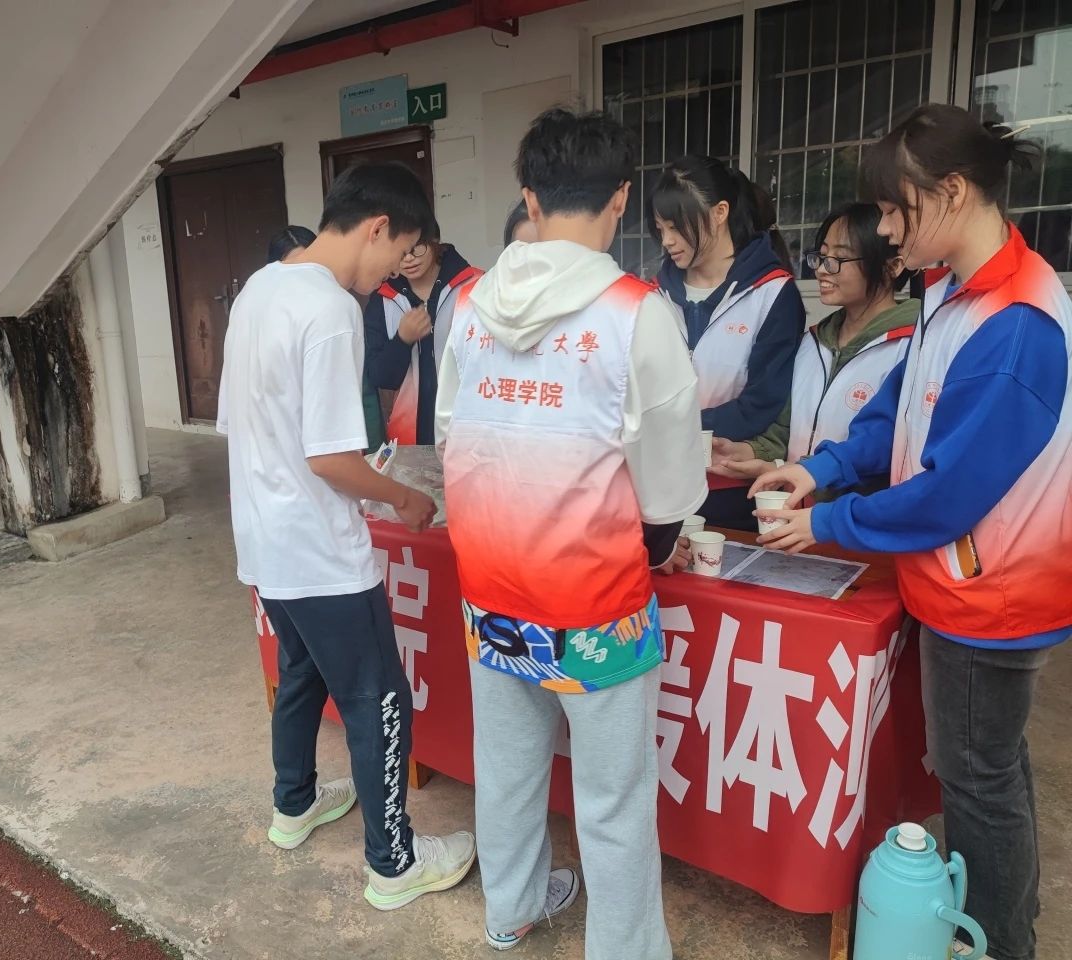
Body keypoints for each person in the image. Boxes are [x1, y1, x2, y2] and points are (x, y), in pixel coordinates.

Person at [752, 104, 1071, 960]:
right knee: (989, 766)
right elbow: (900, 408)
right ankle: (1004, 925)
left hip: (992, 598)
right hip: (963, 584)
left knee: (977, 780)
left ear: (953, 192)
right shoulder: (951, 293)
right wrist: (822, 468)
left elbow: (945, 496)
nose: (887, 231)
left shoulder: (1017, 324)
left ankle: (996, 943)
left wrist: (826, 520)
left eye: (897, 209)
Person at [437, 107, 705, 960]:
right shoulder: (637, 314)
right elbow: (668, 487)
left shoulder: (467, 306)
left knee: (508, 769)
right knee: (614, 798)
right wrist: (654, 543)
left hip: (492, 592)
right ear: (621, 198)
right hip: (595, 606)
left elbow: (449, 436)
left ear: (530, 197)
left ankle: (510, 911)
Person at [218, 163, 476, 912]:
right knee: (378, 699)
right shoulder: (329, 309)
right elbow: (330, 458)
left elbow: (240, 422)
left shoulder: (259, 289)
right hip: (321, 552)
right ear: (377, 227)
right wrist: (403, 497)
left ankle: (294, 803)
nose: (391, 271)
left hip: (264, 540)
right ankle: (394, 862)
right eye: (396, 252)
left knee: (300, 672)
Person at [711, 202, 918, 493]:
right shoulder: (811, 342)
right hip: (793, 514)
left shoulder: (911, 347)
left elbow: (889, 452)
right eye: (821, 256)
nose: (821, 270)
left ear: (892, 266)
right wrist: (747, 452)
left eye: (839, 258)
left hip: (855, 518)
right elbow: (783, 432)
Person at [650, 155, 806, 529]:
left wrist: (668, 426)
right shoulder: (653, 294)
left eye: (676, 227)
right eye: (660, 229)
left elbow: (762, 403)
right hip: (658, 483)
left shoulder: (772, 294)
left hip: (732, 487)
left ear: (720, 212)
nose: (667, 241)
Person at [268, 225, 386, 453]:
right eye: (293, 268)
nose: (302, 277)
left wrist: (373, 452)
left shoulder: (336, 312)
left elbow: (362, 394)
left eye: (307, 266)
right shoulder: (265, 319)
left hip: (336, 450)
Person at [364, 221, 482, 445]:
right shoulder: (382, 298)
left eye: (417, 247)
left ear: (435, 241)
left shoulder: (475, 286)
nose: (409, 258)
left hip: (469, 430)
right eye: (401, 250)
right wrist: (402, 340)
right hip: (408, 436)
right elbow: (380, 377)